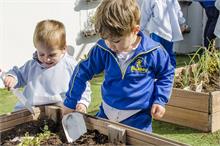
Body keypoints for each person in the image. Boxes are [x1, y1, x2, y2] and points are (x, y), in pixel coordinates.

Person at [62, 0, 174, 133]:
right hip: (106, 113)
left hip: (138, 118)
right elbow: (81, 73)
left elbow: (166, 75)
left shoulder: (153, 51)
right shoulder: (103, 48)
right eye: (106, 39)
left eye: (116, 41)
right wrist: (70, 102)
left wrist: (159, 100)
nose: (110, 45)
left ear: (135, 30)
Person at [1, 19, 91, 112]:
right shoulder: (32, 66)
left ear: (64, 48)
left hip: (62, 110)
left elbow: (82, 85)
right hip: (32, 110)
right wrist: (11, 77)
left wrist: (82, 103)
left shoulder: (70, 65)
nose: (46, 59)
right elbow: (18, 75)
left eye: (52, 55)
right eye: (41, 54)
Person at [138, 0, 189, 68]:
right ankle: (168, 71)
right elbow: (178, 12)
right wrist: (182, 22)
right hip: (160, 31)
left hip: (161, 31)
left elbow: (145, 13)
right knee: (162, 53)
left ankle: (169, 71)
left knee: (159, 53)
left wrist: (140, 27)